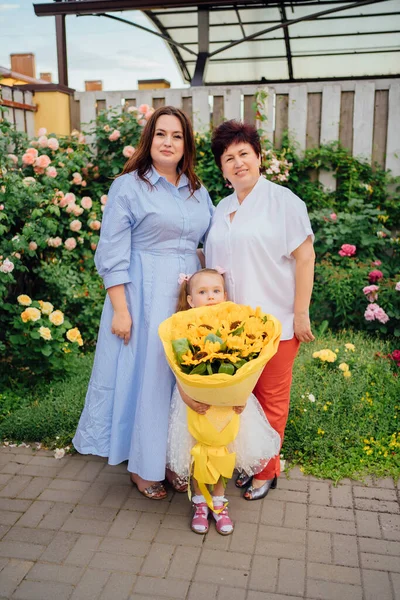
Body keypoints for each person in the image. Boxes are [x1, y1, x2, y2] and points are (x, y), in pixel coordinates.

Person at [73, 106, 214, 500]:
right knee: (149, 380)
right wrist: (121, 308)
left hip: (185, 298)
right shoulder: (129, 186)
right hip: (143, 294)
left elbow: (207, 243)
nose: (168, 142)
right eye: (161, 135)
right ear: (149, 141)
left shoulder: (197, 190)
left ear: (186, 144)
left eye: (177, 136)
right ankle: (143, 467)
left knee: (179, 380)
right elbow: (112, 252)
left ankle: (172, 460)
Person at [205, 120, 315, 501]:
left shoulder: (283, 202)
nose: (237, 163)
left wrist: (301, 313)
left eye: (244, 155)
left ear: (259, 158)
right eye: (228, 158)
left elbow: (305, 257)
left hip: (276, 322)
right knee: (240, 400)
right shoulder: (221, 208)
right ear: (221, 168)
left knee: (270, 399)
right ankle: (249, 461)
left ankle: (267, 469)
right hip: (231, 328)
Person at [166, 268, 281, 534]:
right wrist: (188, 399)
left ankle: (219, 502)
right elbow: (178, 371)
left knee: (224, 452)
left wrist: (240, 397)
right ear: (191, 299)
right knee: (199, 453)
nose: (211, 297)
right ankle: (200, 502)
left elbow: (245, 365)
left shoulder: (234, 323)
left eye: (216, 291)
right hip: (194, 403)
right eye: (203, 292)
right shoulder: (180, 325)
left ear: (225, 295)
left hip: (229, 405)